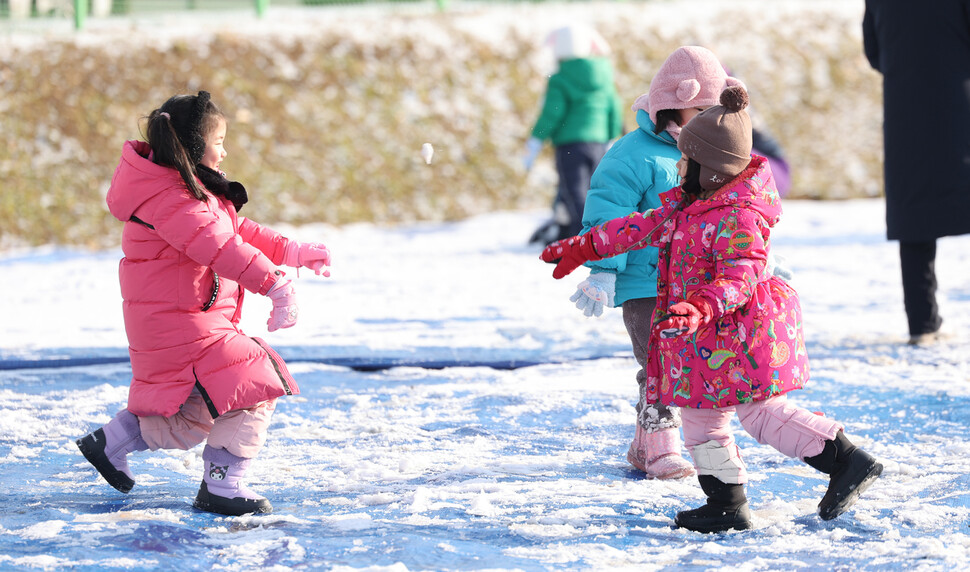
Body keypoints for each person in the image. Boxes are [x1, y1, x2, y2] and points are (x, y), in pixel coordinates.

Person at [541, 86, 883, 533]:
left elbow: (739, 278)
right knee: (701, 418)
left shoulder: (738, 215)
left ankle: (848, 461)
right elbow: (635, 226)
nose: (678, 167)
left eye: (686, 161)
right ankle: (726, 502)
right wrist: (583, 245)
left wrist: (699, 307)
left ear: (713, 171)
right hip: (708, 336)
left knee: (761, 415)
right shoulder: (688, 202)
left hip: (745, 333)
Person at [75, 91, 331, 516]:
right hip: (181, 322)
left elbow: (237, 229)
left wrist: (293, 251)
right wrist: (275, 284)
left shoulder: (182, 189)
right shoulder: (171, 199)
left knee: (191, 416)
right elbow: (219, 246)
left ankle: (112, 441)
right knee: (253, 380)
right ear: (195, 148)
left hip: (184, 320)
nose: (225, 150)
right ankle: (222, 486)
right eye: (219, 141)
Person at [570, 46, 746, 480]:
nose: (709, 118)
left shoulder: (713, 150)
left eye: (713, 109)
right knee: (657, 363)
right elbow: (611, 213)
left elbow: (734, 215)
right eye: (700, 108)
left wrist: (758, 262)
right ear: (673, 105)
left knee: (694, 365)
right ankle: (661, 443)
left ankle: (645, 444)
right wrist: (605, 269)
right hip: (645, 284)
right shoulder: (633, 154)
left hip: (696, 289)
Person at [862, 1, 970, 345]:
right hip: (960, 106)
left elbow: (874, 51)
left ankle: (923, 323)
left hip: (906, 109)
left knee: (914, 214)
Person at [524, 24, 625, 246]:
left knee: (574, 192)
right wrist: (611, 137)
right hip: (598, 143)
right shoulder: (604, 75)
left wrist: (536, 139)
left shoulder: (560, 79)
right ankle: (597, 233)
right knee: (594, 190)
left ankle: (585, 240)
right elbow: (613, 108)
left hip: (570, 144)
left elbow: (552, 113)